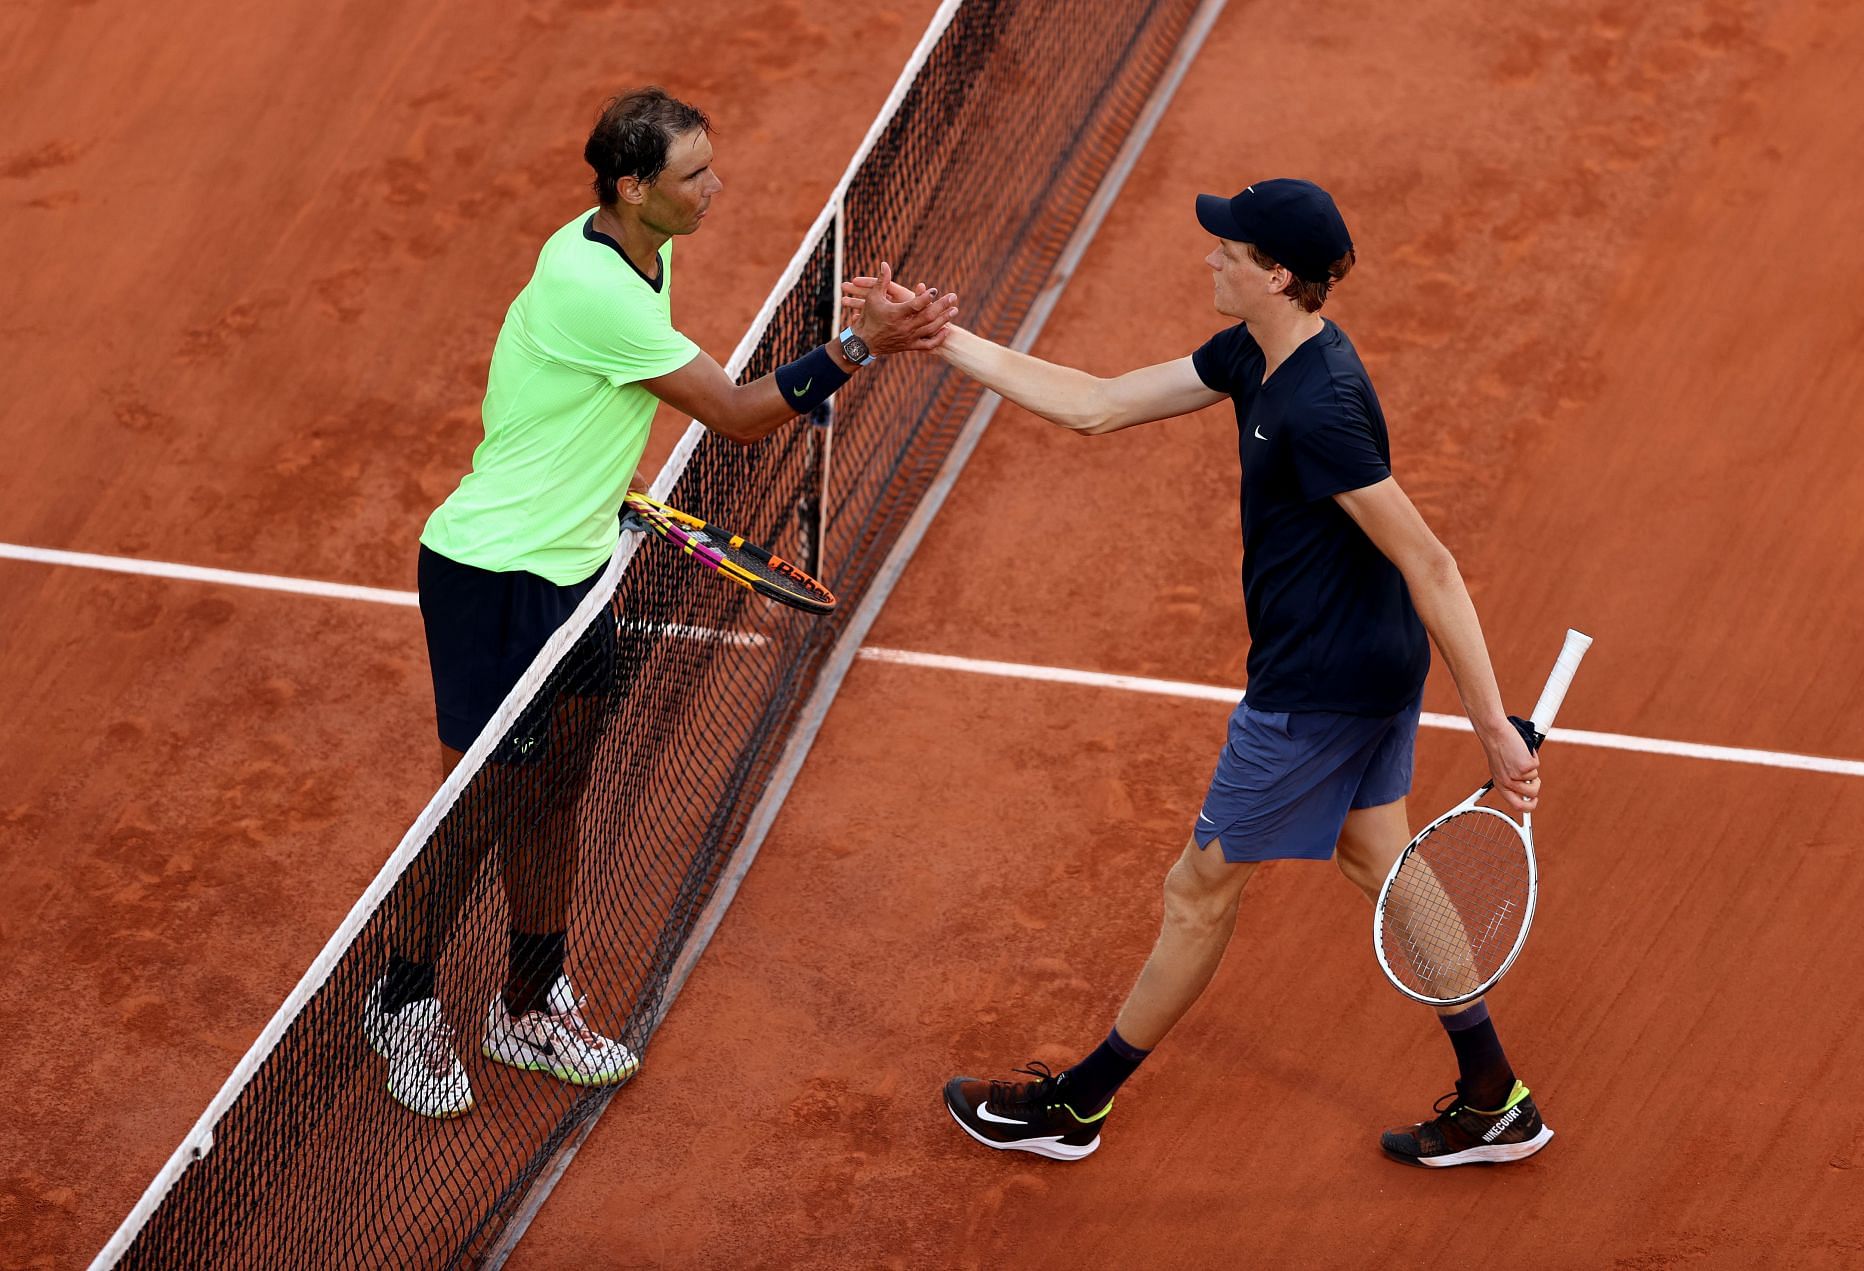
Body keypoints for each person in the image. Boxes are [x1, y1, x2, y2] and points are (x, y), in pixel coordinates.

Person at [845, 178, 1550, 1166]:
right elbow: (1095, 404)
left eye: (1228, 249)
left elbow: (1430, 560)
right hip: (1369, 664)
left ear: (1276, 274)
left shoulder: (1320, 404)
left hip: (1317, 688)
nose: (1208, 259)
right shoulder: (1258, 357)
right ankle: (1493, 1094)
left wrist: (1491, 726)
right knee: (1375, 853)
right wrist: (932, 338)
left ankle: (1076, 1105)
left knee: (1200, 887)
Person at [364, 87, 958, 1118]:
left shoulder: (646, 244)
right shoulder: (588, 284)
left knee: (558, 788)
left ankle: (530, 996)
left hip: (582, 562)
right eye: (694, 176)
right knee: (480, 808)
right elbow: (733, 415)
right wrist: (861, 346)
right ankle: (403, 994)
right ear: (633, 187)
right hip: (493, 575)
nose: (714, 189)